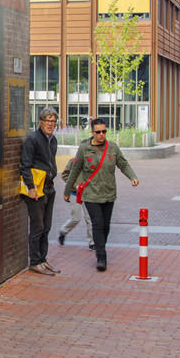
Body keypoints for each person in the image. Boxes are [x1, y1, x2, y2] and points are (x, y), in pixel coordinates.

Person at [63, 118, 139, 271]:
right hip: (91, 195)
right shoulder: (84, 149)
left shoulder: (112, 148)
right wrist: (67, 191)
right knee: (97, 224)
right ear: (92, 133)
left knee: (105, 226)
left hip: (109, 194)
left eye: (104, 131)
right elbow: (74, 171)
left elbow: (123, 164)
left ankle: (100, 247)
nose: (101, 134)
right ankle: (101, 256)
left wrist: (133, 177)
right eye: (98, 132)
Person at [20, 107, 59, 276]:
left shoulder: (53, 140)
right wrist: (30, 188)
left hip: (49, 187)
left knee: (47, 227)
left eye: (53, 121)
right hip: (36, 190)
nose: (50, 124)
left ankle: (43, 259)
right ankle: (35, 261)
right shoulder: (33, 139)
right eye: (47, 121)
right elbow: (25, 165)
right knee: (37, 226)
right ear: (41, 122)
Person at [56, 157, 93, 250]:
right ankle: (63, 232)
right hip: (74, 194)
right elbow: (64, 175)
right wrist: (74, 185)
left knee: (90, 219)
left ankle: (92, 243)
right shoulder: (73, 161)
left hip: (88, 194)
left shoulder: (93, 161)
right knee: (76, 218)